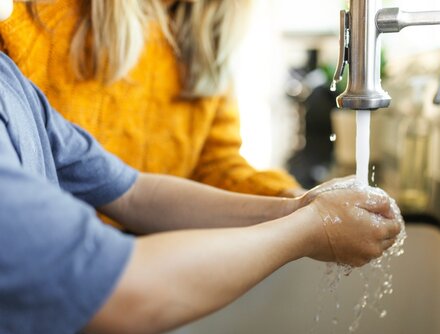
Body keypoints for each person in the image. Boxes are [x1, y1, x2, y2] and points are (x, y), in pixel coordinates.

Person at [0, 1, 401, 334]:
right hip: (107, 282)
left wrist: (297, 207)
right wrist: (312, 228)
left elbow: (136, 192)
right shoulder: (36, 27)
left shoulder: (14, 88)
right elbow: (123, 290)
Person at [0, 0, 304, 198]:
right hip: (56, 261)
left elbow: (215, 166)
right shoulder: (40, 16)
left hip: (153, 265)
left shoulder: (205, 40)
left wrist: (291, 200)